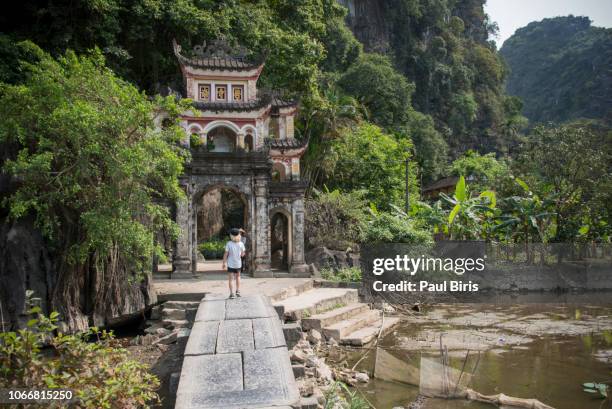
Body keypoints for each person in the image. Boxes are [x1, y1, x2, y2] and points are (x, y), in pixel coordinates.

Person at [222, 228, 246, 299]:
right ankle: (238, 291)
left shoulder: (229, 243)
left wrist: (224, 263)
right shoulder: (241, 243)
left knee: (231, 279)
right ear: (239, 235)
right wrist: (241, 254)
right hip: (238, 263)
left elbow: (225, 254)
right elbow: (243, 254)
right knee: (238, 277)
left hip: (230, 264)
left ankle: (232, 294)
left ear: (231, 236)